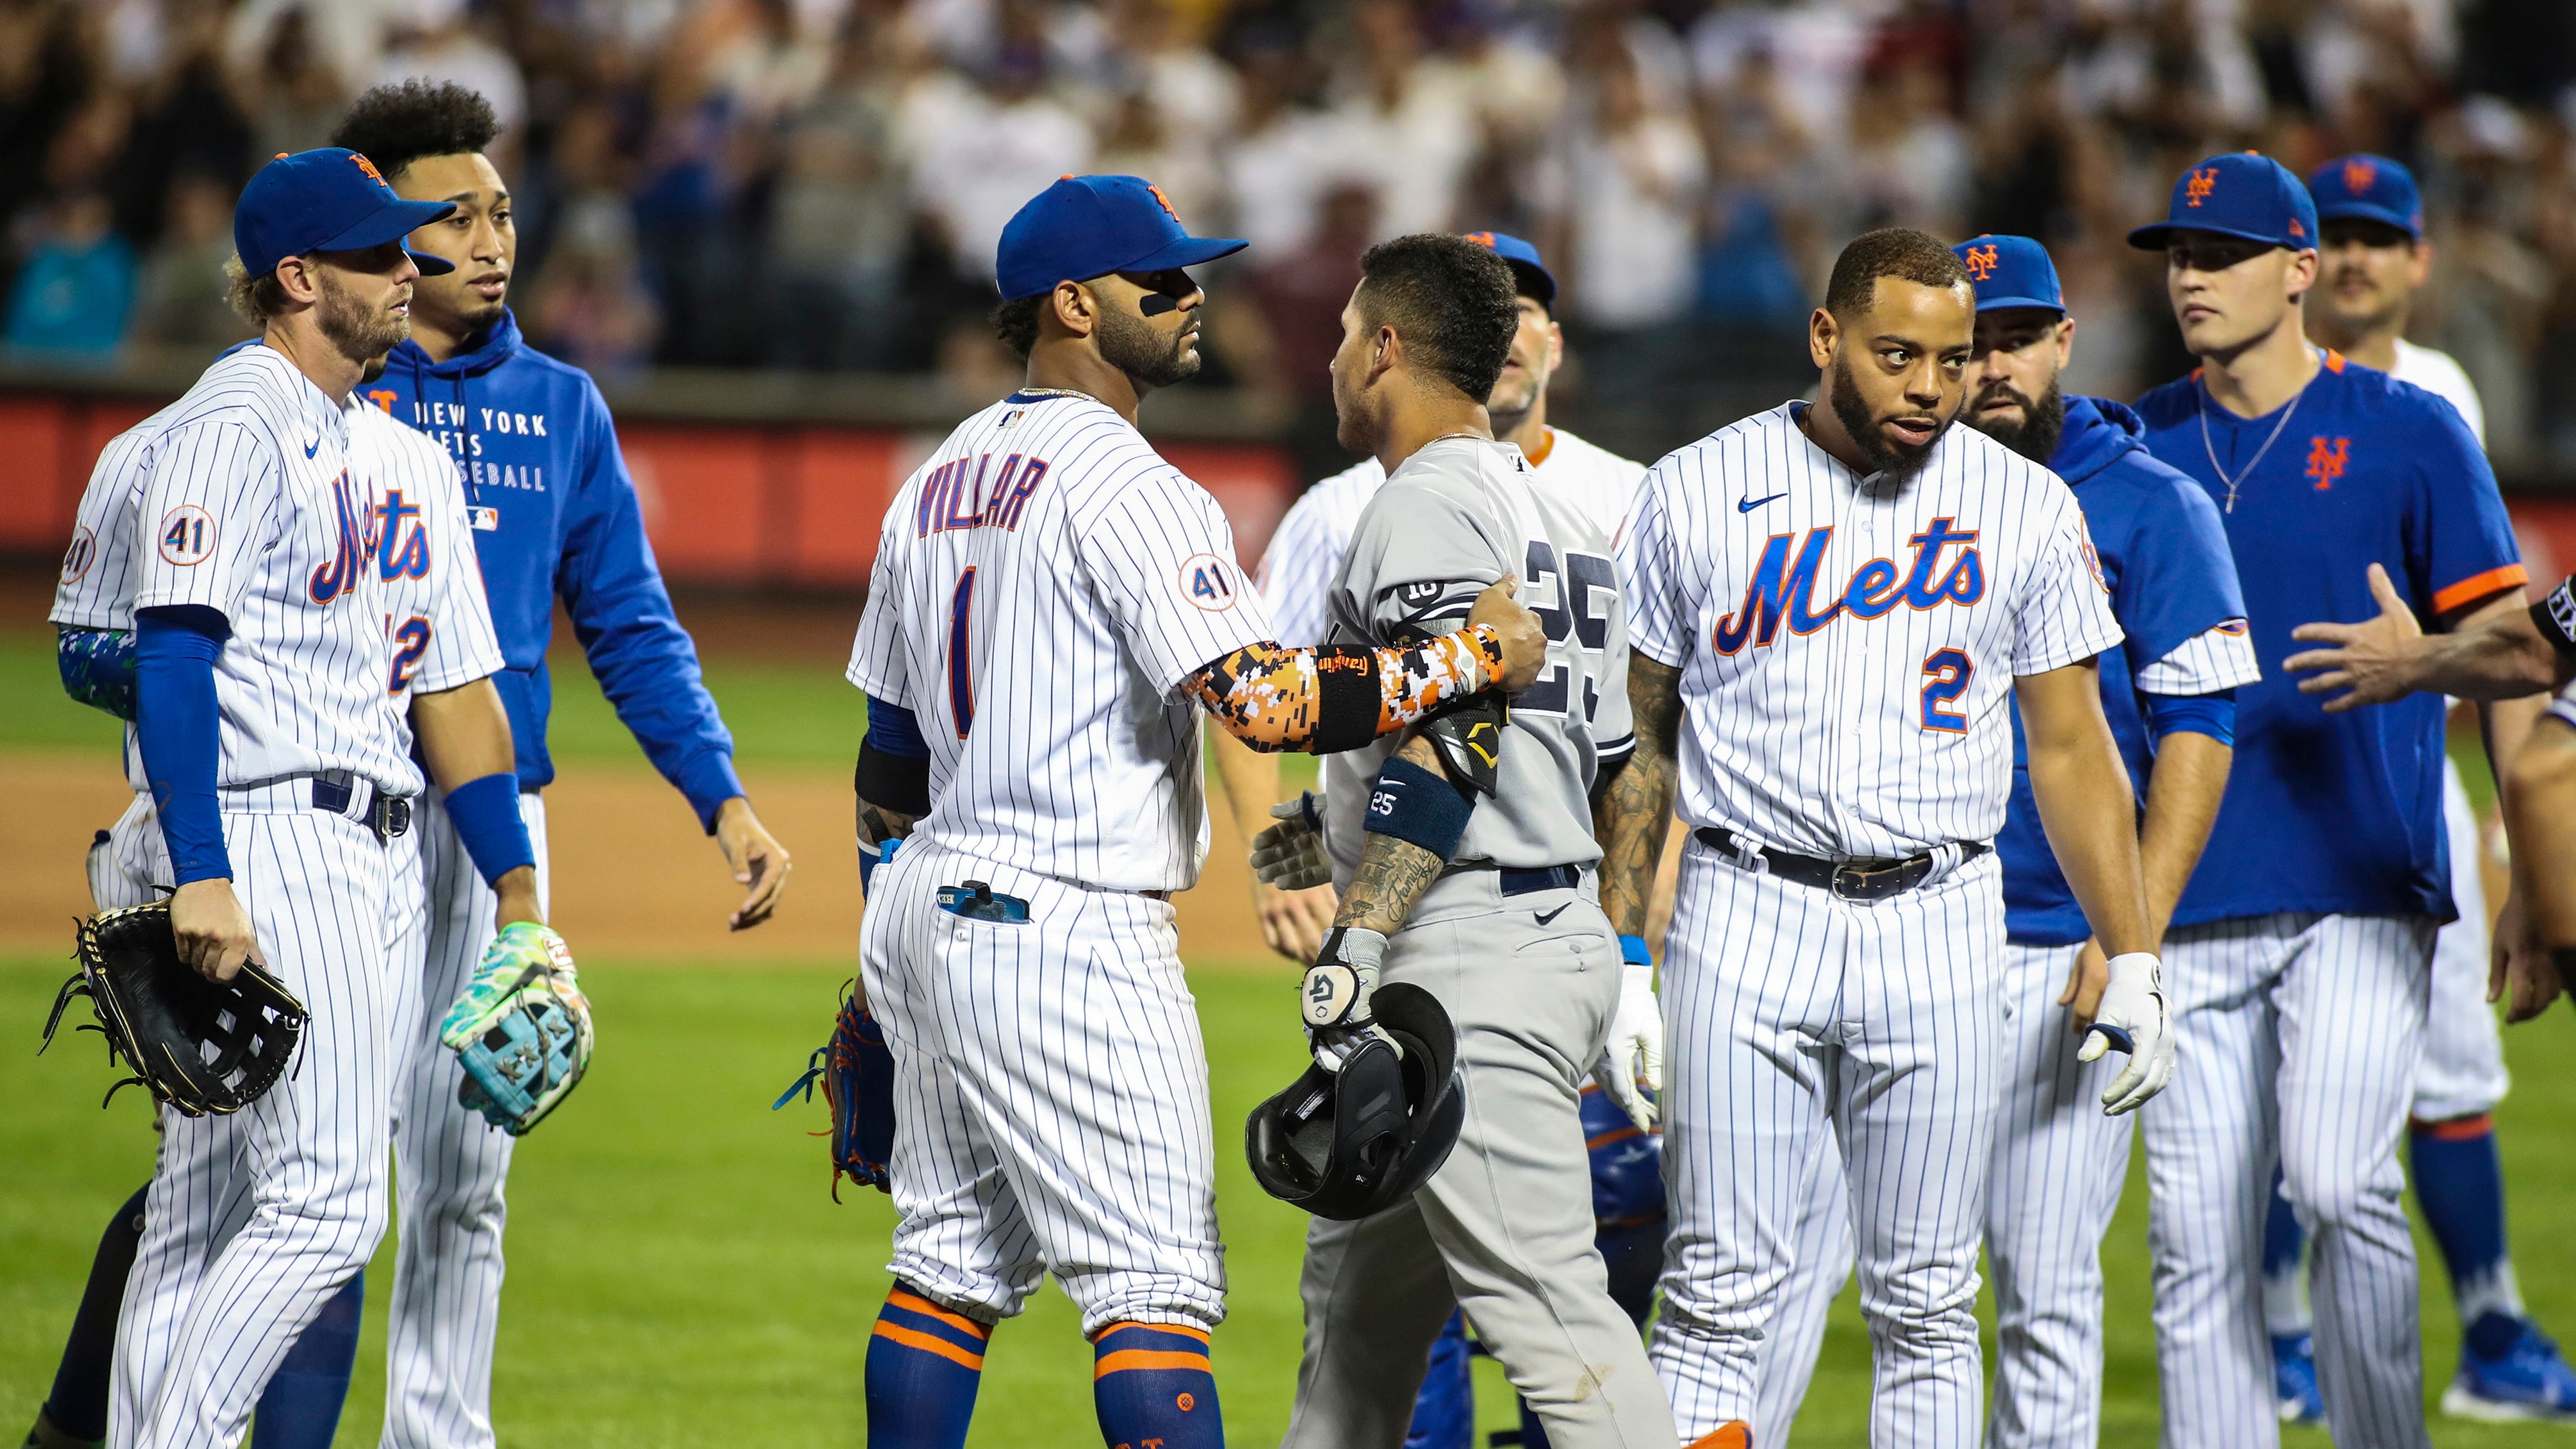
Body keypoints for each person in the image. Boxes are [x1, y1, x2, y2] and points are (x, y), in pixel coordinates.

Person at [841, 175, 1546, 1449]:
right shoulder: (1130, 484)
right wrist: (1464, 659)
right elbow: (1266, 702)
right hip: (1067, 926)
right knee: (1154, 1289)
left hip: (930, 902)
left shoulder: (934, 479)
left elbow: (887, 764)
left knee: (946, 1269)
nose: (1192, 294)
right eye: (1158, 279)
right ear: (1072, 304)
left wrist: (888, 963)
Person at [1601, 225, 2172, 1448]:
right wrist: (1627, 953)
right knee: (1715, 1293)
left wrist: (2132, 950)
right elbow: (1641, 739)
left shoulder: (2023, 502)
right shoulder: (1695, 486)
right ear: (1826, 337)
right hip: (1745, 911)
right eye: (1897, 354)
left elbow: (2072, 743)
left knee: (1926, 1301)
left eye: (1952, 360)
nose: (1930, 386)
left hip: (1941, 920)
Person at [39, 147, 542, 1449]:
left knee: (205, 1210)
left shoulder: (399, 452)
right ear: (300, 277)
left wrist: (518, 894)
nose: (411, 269)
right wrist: (198, 865)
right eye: (379, 254)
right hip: (266, 836)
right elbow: (161, 651)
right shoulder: (230, 427)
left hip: (369, 846)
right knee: (329, 1203)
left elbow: (452, 692)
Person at [331, 79, 794, 1448]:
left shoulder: (562, 405)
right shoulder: (331, 393)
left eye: (501, 212)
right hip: (336, 817)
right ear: (384, 234)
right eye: (454, 218)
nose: (491, 241)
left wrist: (723, 800)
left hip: (498, 833)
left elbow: (632, 624)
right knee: (315, 1180)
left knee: (466, 1174)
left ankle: (439, 1437)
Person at [1746, 233, 2258, 1447]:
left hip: (2049, 950)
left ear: (2064, 343)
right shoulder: (1875, 485)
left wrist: (2130, 932)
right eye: (1972, 346)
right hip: (1870, 933)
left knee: (2043, 1286)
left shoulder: (2152, 504)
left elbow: (2200, 728)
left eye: (2018, 340)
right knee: (1786, 1266)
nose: (1990, 369)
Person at [1214, 230, 1660, 1449]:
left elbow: (1454, 732)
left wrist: (1359, 935)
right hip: (1528, 924)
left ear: (1387, 350)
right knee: (1354, 1341)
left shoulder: (1422, 500)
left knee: (1555, 1327)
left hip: (1463, 949)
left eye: (1343, 335)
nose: (1330, 359)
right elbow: (1611, 759)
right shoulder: (1563, 517)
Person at [2124, 150, 2534, 1449]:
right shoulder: (2136, 442)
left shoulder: (2412, 429)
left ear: (2298, 270)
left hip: (2358, 884)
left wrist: (2428, 665)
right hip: (2182, 893)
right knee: (2196, 1237)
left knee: (2342, 1181)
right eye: (2180, 256)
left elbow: (2525, 648)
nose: (2192, 278)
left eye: (2222, 255)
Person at [2247, 150, 2576, 1425]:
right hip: (2279, 775)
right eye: (2337, 233)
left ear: (2417, 261)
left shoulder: (2439, 394)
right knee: (2282, 1092)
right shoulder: (2235, 399)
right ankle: (2280, 1331)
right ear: (2299, 260)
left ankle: (2488, 1322)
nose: (2357, 256)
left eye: (2381, 236)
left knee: (2456, 1065)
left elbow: (2509, 641)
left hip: (2412, 778)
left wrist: (2523, 843)